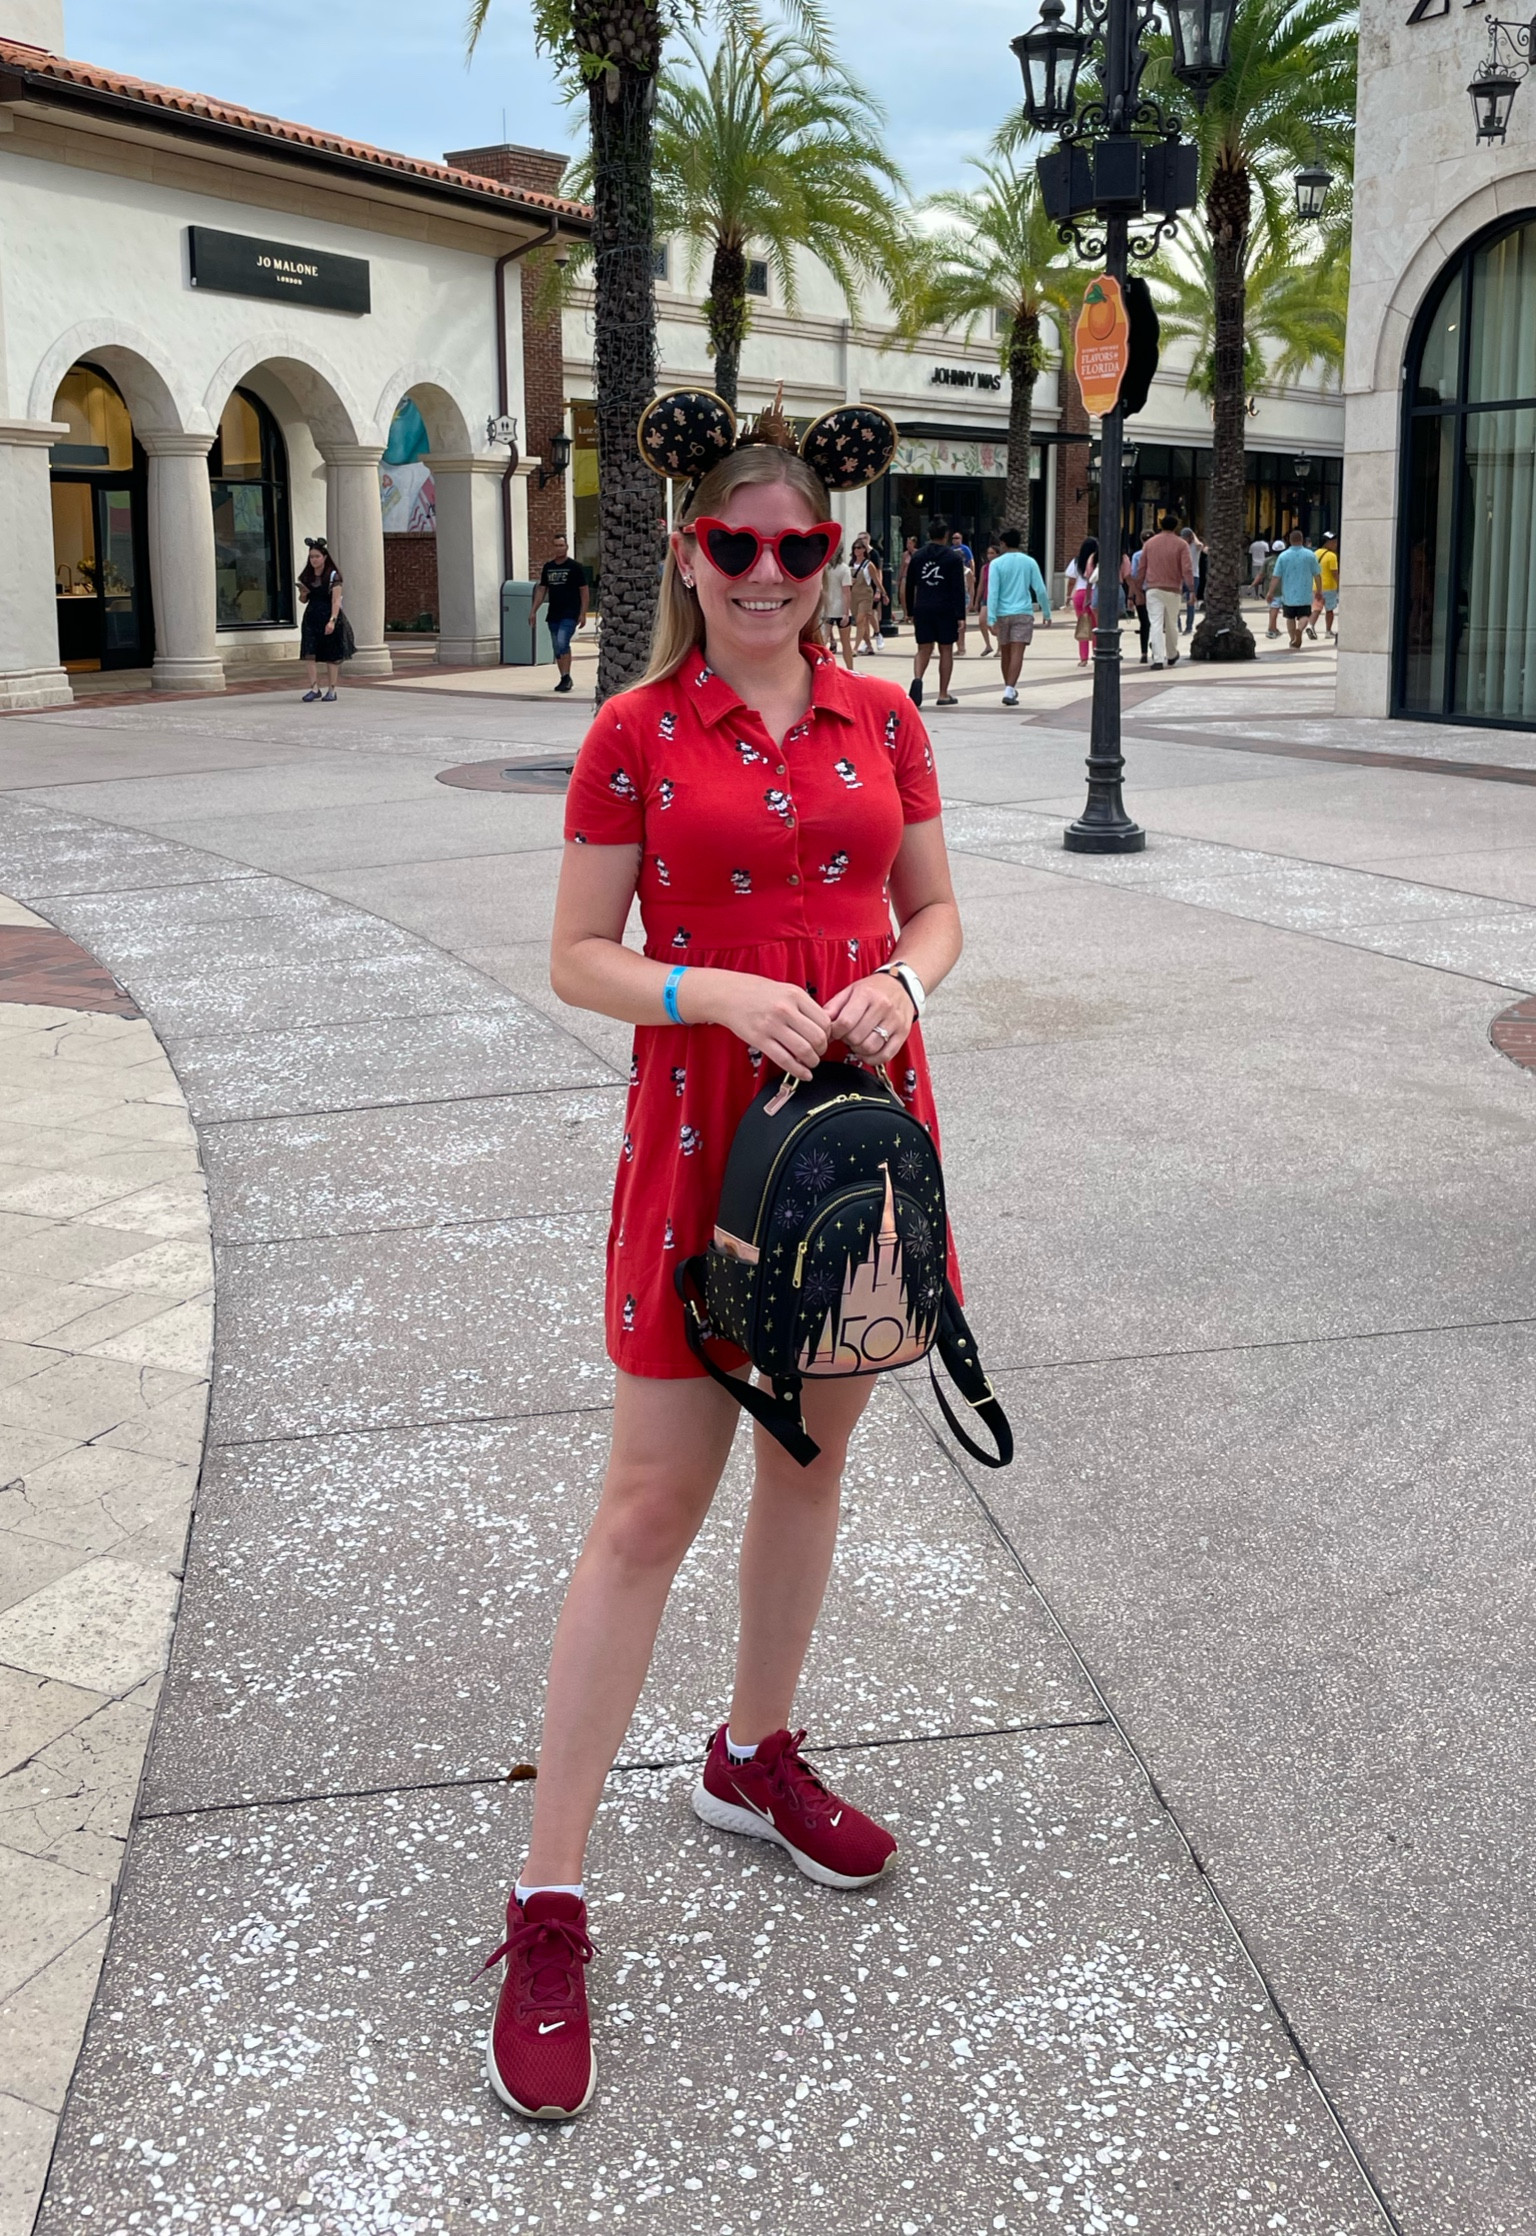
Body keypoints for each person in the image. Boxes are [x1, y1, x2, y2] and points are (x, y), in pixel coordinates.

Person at [483, 429, 964, 2125]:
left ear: (836, 555)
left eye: (800, 548)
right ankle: (548, 1903)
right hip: (701, 1142)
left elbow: (935, 914)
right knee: (641, 1508)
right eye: (732, 547)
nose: (768, 578)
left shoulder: (884, 716)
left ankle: (752, 1754)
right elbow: (574, 955)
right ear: (685, 556)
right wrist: (705, 992)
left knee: (809, 1461)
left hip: (847, 1142)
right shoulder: (631, 733)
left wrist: (901, 986)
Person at [906, 518, 968, 707]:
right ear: (946, 535)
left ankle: (917, 678)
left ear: (928, 535)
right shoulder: (953, 558)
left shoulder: (918, 556)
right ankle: (943, 693)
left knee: (923, 648)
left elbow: (909, 585)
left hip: (923, 606)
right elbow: (958, 588)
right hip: (946, 608)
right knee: (946, 648)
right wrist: (960, 615)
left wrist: (910, 610)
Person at [986, 526, 1050, 705]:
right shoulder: (1029, 562)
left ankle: (1008, 686)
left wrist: (991, 618)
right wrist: (1046, 611)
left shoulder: (996, 564)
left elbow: (993, 592)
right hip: (1023, 611)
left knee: (1005, 651)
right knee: (1017, 652)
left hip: (1002, 613)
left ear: (1003, 543)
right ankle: (1010, 689)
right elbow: (1040, 589)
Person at [531, 534, 590, 694]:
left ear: (567, 547)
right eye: (556, 545)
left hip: (570, 612)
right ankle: (565, 677)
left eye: (561, 545)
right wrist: (533, 611)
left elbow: (584, 590)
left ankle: (566, 677)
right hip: (554, 613)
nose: (559, 548)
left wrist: (583, 613)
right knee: (557, 647)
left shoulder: (575, 567)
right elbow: (542, 589)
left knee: (563, 641)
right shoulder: (548, 567)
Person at [297, 536, 354, 701]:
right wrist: (303, 593)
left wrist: (332, 620)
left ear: (324, 557)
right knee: (309, 652)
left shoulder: (332, 576)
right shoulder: (307, 576)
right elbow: (303, 600)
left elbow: (336, 600)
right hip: (311, 616)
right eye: (311, 557)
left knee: (331, 654)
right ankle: (314, 687)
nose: (314, 560)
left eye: (317, 556)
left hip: (329, 615)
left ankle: (332, 689)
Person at [1140, 513, 1193, 670]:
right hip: (1173, 589)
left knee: (1155, 623)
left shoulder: (1149, 544)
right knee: (1171, 623)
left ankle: (1157, 659)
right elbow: (1187, 569)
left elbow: (1141, 567)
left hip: (1153, 588)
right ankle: (1171, 654)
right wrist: (1191, 589)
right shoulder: (1181, 544)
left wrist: (1136, 588)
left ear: (1161, 525)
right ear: (1176, 526)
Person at [1272, 526, 1322, 649]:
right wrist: (1319, 590)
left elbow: (1276, 576)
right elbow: (1317, 574)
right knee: (1304, 615)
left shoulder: (1283, 556)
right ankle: (1300, 629)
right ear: (1303, 540)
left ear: (1289, 540)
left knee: (1290, 617)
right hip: (1304, 593)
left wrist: (1270, 592)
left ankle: (1293, 638)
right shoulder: (1310, 555)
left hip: (1288, 594)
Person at [821, 545, 855, 671]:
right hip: (839, 609)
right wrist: (846, 613)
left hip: (828, 608)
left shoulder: (824, 568)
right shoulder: (844, 569)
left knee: (824, 641)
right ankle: (850, 669)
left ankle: (823, 667)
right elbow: (846, 592)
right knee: (845, 643)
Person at [849, 535, 883, 655]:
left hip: (866, 594)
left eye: (859, 548)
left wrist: (882, 592)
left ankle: (855, 647)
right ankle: (869, 645)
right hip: (854, 595)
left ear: (864, 549)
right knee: (859, 621)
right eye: (855, 548)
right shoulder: (851, 563)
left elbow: (876, 579)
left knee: (860, 620)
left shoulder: (869, 564)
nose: (856, 550)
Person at [1070, 536, 1098, 666]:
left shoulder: (1076, 561)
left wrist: (1068, 596)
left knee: (1083, 625)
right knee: (1096, 626)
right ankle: (1097, 653)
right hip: (1094, 592)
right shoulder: (1096, 560)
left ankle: (1083, 658)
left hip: (1080, 594)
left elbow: (1071, 580)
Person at [1128, 528, 1154, 664]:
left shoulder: (1137, 556)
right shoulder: (1158, 554)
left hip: (1141, 591)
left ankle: (1144, 652)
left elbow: (1134, 576)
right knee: (1156, 622)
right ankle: (1155, 648)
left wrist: (1132, 596)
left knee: (1144, 623)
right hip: (1155, 589)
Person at [973, 539, 1000, 659]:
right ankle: (988, 645)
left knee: (997, 624)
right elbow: (981, 585)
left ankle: (1000, 647)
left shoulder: (1000, 567)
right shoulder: (985, 568)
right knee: (982, 620)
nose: (990, 556)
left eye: (992, 553)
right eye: (988, 553)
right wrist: (976, 600)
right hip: (986, 598)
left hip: (998, 599)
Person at [949, 529, 975, 655]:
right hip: (952, 599)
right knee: (954, 624)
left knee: (962, 624)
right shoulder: (951, 571)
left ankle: (962, 647)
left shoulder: (967, 571)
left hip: (964, 599)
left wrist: (971, 602)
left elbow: (971, 588)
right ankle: (958, 645)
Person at [1179, 527, 1205, 634]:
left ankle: (1189, 626)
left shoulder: (1195, 546)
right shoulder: (1180, 546)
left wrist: (1194, 535)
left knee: (1190, 603)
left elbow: (1200, 545)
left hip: (1194, 575)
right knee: (1176, 601)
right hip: (1181, 576)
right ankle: (1178, 625)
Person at [1316, 530, 1340, 637]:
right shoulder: (1332, 556)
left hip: (1316, 586)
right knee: (1329, 610)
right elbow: (1335, 573)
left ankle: (1310, 626)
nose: (1336, 544)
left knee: (1316, 608)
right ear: (1327, 543)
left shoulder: (1315, 553)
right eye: (1334, 542)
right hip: (1329, 586)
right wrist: (1340, 585)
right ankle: (1328, 631)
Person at [1265, 539, 1287, 637]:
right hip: (1282, 587)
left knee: (1273, 608)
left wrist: (1253, 584)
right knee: (1276, 608)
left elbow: (1261, 574)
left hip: (1270, 586)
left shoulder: (1268, 560)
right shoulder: (1285, 560)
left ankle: (1273, 628)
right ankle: (1271, 629)